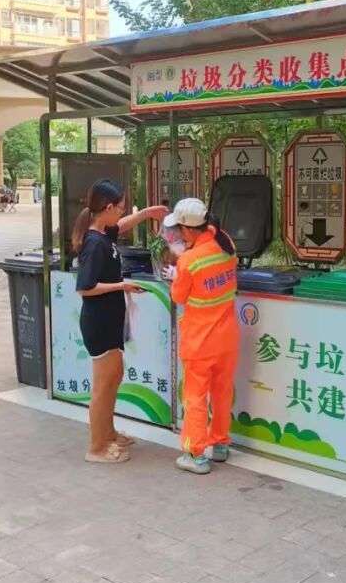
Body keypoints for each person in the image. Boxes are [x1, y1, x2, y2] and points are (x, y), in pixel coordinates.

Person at [74, 179, 167, 463]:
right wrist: (121, 286)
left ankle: (109, 433)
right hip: (99, 322)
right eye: (121, 207)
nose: (123, 212)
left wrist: (147, 213)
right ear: (108, 208)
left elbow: (122, 226)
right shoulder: (94, 244)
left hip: (111, 320)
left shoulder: (104, 233)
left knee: (114, 378)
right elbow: (85, 287)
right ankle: (96, 447)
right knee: (103, 387)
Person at [161, 198, 239, 474]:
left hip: (199, 342)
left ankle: (195, 455)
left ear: (187, 229)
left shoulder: (189, 260)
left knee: (195, 397)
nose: (178, 235)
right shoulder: (225, 242)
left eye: (179, 230)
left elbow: (178, 296)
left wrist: (176, 274)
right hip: (227, 338)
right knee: (221, 393)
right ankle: (220, 444)